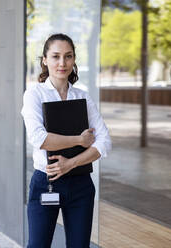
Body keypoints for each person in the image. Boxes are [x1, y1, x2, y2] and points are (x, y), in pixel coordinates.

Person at [21, 33, 111, 247]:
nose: (62, 63)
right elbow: (39, 139)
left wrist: (70, 163)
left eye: (68, 56)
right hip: (47, 182)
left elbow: (104, 141)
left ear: (74, 59)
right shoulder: (34, 95)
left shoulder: (82, 97)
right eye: (55, 56)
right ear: (44, 60)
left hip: (80, 184)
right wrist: (80, 140)